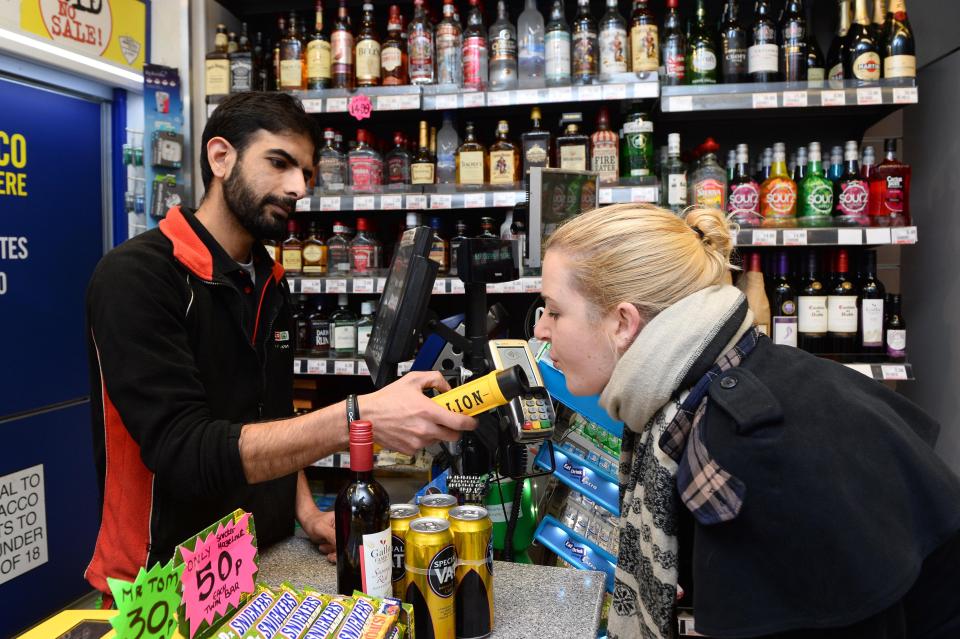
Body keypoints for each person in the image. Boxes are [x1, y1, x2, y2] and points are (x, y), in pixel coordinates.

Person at [84, 92, 475, 603]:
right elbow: (185, 451)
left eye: (307, 173)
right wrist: (357, 417)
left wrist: (308, 513)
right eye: (280, 163)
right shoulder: (137, 277)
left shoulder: (268, 279)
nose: (298, 187)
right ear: (221, 157)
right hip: (159, 585)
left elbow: (273, 415)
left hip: (255, 560)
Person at [534, 203, 960, 639]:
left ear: (623, 323)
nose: (540, 332)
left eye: (553, 311)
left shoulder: (738, 447)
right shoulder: (736, 374)